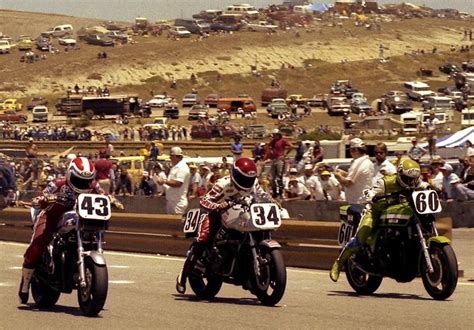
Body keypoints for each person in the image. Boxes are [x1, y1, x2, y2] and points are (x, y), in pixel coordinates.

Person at [176, 158, 269, 294]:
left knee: (258, 229)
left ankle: (249, 274)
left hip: (241, 213)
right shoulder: (223, 184)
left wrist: (273, 202)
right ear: (235, 175)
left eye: (249, 179)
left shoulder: (253, 183)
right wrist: (218, 206)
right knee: (203, 238)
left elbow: (262, 195)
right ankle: (183, 276)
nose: (246, 182)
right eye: (243, 178)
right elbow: (205, 200)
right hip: (217, 214)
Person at [19, 157, 101, 303]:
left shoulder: (94, 186)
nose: (84, 184)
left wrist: (112, 200)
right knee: (38, 245)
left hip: (79, 218)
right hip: (51, 218)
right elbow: (43, 194)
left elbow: (103, 195)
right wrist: (42, 199)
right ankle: (25, 283)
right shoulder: (58, 183)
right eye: (79, 179)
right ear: (70, 175)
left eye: (86, 180)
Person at [330, 159, 428, 282]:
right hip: (376, 211)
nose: (410, 182)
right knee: (361, 237)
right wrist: (375, 196)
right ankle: (339, 264)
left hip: (399, 209)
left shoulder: (414, 181)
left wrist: (431, 187)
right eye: (407, 178)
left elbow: (424, 185)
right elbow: (368, 194)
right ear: (400, 174)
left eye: (413, 179)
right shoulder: (385, 182)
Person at [334, 138, 374, 206]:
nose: (350, 153)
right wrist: (344, 173)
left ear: (355, 150)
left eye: (351, 150)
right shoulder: (367, 161)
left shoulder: (358, 162)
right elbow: (358, 178)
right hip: (364, 200)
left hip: (357, 202)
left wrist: (338, 176)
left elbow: (348, 182)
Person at [155, 147, 190, 214]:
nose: (170, 158)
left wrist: (164, 181)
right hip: (171, 200)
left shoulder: (182, 168)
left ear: (175, 156)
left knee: (177, 223)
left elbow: (178, 183)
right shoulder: (175, 167)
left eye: (171, 156)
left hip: (177, 202)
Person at [266, 128, 294, 198]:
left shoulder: (282, 141)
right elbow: (268, 146)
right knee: (272, 178)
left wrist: (285, 155)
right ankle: (274, 192)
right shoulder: (273, 141)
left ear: (279, 135)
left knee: (279, 177)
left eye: (275, 135)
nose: (274, 136)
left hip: (279, 159)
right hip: (273, 159)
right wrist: (270, 152)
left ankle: (280, 192)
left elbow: (291, 146)